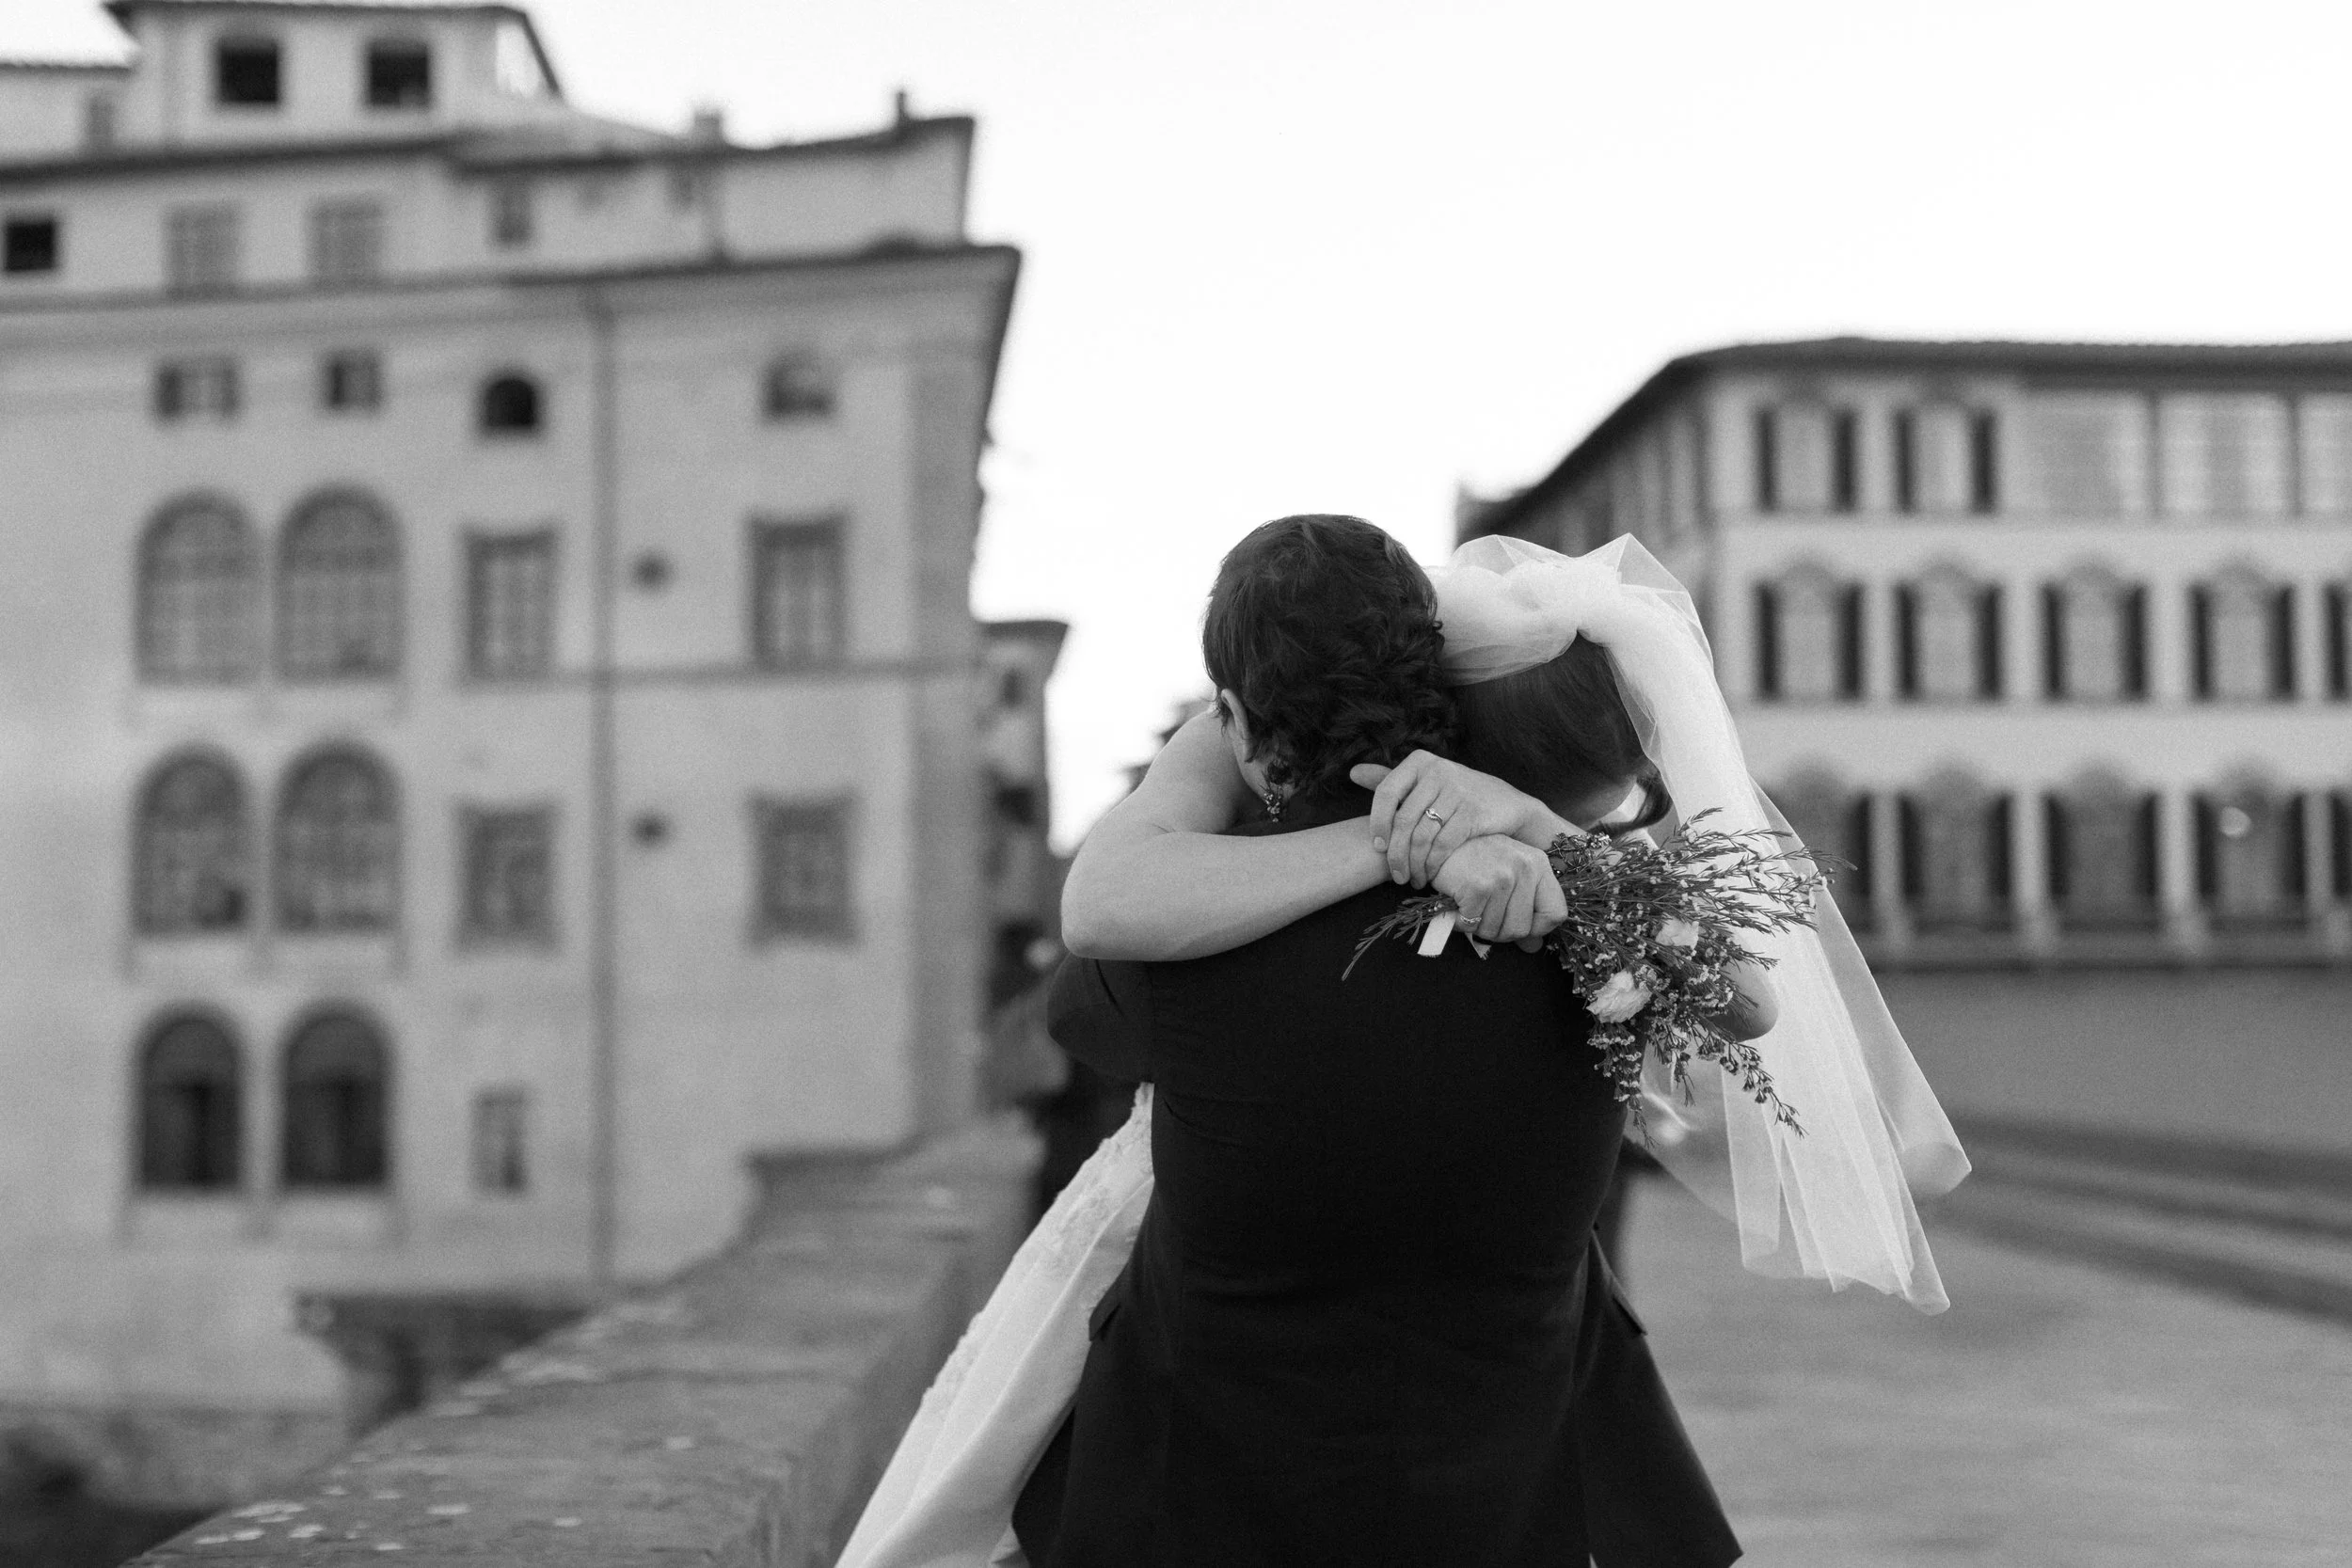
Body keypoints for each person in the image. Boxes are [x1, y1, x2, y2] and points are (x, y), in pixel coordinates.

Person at [836, 517, 1964, 1568]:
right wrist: (1532, 832)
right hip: (1511, 1495)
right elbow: (1750, 1001)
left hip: (1199, 1495)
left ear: (1238, 721)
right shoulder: (1592, 931)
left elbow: (1094, 943)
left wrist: (1268, 764)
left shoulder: (1167, 946)